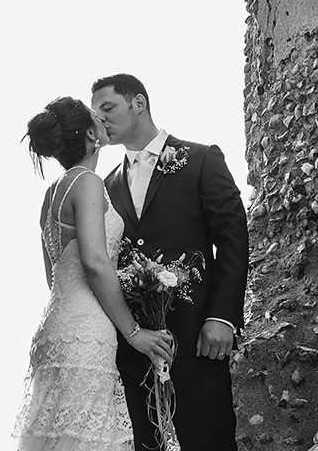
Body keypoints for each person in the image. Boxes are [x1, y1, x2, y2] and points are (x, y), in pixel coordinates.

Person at [91, 74, 249, 451]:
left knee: (209, 439)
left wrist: (222, 316)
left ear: (139, 103)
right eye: (95, 113)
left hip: (199, 338)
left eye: (108, 108)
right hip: (135, 352)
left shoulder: (200, 158)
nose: (100, 120)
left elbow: (233, 236)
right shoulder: (104, 186)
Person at [13, 97, 174, 451]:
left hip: (57, 325)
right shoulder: (87, 182)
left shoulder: (52, 193)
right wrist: (134, 333)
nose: (102, 117)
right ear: (91, 134)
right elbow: (96, 263)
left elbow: (53, 275)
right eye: (95, 116)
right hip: (86, 333)